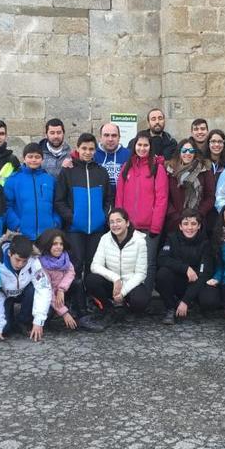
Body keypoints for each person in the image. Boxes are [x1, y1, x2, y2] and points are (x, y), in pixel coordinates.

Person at [54, 133, 113, 317]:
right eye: (84, 148)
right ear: (77, 149)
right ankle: (74, 301)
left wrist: (103, 217)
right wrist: (72, 218)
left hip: (97, 229)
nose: (88, 152)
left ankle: (91, 300)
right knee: (75, 265)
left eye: (91, 149)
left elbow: (109, 199)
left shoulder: (101, 172)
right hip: (74, 229)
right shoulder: (68, 171)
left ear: (96, 150)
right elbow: (59, 200)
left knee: (94, 266)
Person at [115, 132, 169, 295]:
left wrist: (156, 226)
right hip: (128, 227)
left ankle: (144, 295)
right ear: (134, 146)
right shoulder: (127, 167)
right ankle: (127, 294)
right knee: (127, 262)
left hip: (148, 226)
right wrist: (119, 223)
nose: (142, 148)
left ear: (150, 147)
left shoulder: (157, 168)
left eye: (146, 145)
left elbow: (162, 198)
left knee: (148, 262)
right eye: (139, 145)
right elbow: (120, 196)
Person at [84, 208, 149, 329]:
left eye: (119, 221)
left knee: (140, 300)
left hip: (130, 283)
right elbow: (95, 265)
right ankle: (109, 308)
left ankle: (127, 308)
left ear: (127, 223)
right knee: (91, 279)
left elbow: (141, 274)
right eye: (112, 222)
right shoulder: (105, 239)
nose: (115, 225)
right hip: (112, 283)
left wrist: (123, 292)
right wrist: (115, 278)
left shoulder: (139, 241)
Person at [0, 233, 54, 343]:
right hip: (4, 295)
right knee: (4, 329)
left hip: (24, 292)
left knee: (34, 291)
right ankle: (9, 316)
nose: (20, 264)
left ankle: (23, 320)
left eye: (24, 261)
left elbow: (44, 289)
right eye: (17, 259)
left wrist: (38, 321)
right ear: (9, 253)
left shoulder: (34, 261)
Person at [156, 209, 217, 325]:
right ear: (180, 226)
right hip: (178, 280)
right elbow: (162, 259)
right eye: (186, 224)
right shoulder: (172, 238)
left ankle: (191, 303)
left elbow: (204, 273)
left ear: (199, 226)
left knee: (210, 301)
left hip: (196, 281)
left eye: (194, 224)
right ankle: (170, 308)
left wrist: (186, 300)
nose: (190, 228)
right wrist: (186, 268)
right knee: (162, 274)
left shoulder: (205, 243)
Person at [3, 143, 60, 241]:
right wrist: (17, 225)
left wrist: (55, 223)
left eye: (37, 157)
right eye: (30, 156)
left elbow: (57, 204)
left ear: (42, 159)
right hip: (22, 235)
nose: (33, 160)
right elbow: (6, 206)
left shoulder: (50, 180)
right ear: (24, 158)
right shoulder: (13, 180)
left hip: (47, 235)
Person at [165, 138, 216, 233]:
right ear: (179, 152)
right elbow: (165, 197)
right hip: (175, 222)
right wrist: (176, 216)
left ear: (195, 153)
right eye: (184, 150)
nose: (187, 153)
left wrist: (198, 214)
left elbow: (210, 196)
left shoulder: (204, 170)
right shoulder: (170, 171)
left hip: (197, 222)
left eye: (191, 151)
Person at [35, 229, 81, 331]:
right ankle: (59, 312)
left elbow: (71, 272)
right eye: (54, 244)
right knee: (46, 318)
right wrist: (64, 313)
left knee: (77, 283)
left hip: (61, 292)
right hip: (48, 296)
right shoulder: (40, 264)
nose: (59, 247)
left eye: (61, 244)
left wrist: (61, 289)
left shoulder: (65, 257)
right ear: (47, 245)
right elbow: (46, 291)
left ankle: (82, 315)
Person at [94, 122, 131, 202]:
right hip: (99, 202)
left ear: (119, 137)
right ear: (100, 137)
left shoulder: (129, 155)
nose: (110, 139)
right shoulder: (93, 154)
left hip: (123, 203)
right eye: (106, 135)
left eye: (114, 135)